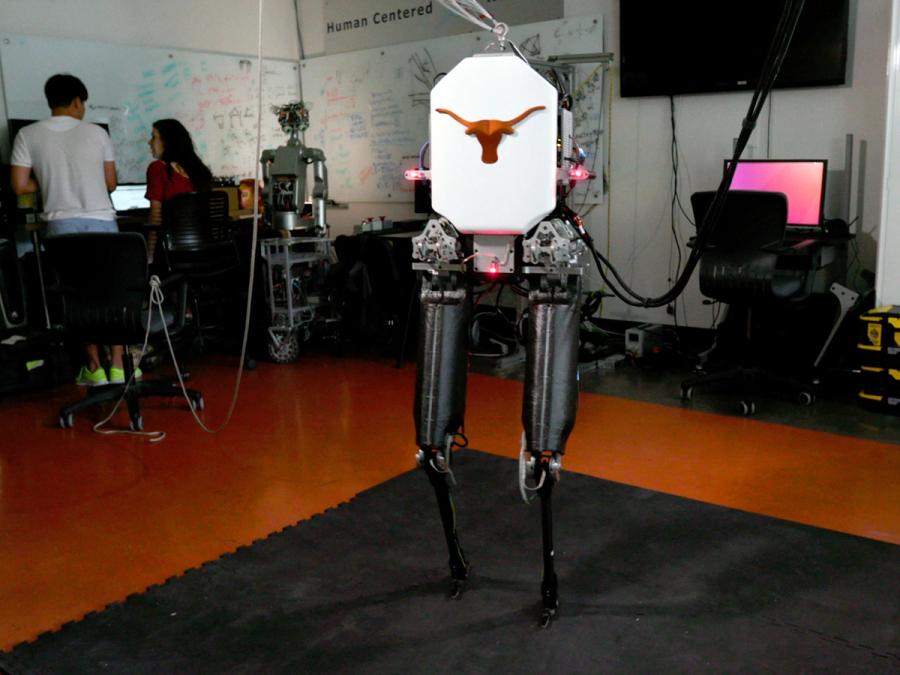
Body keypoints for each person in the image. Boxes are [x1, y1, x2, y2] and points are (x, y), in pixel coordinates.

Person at [10, 73, 135, 387]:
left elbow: (19, 185)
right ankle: (119, 364)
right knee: (112, 293)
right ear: (78, 102)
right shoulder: (96, 134)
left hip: (62, 227)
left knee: (78, 297)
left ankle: (94, 368)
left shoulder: (27, 134)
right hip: (103, 223)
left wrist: (48, 180)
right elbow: (110, 183)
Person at [145, 118, 212, 260]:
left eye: (153, 137)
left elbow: (155, 218)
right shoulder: (200, 172)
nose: (149, 142)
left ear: (166, 141)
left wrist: (150, 257)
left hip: (173, 252)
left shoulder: (158, 169)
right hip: (205, 249)